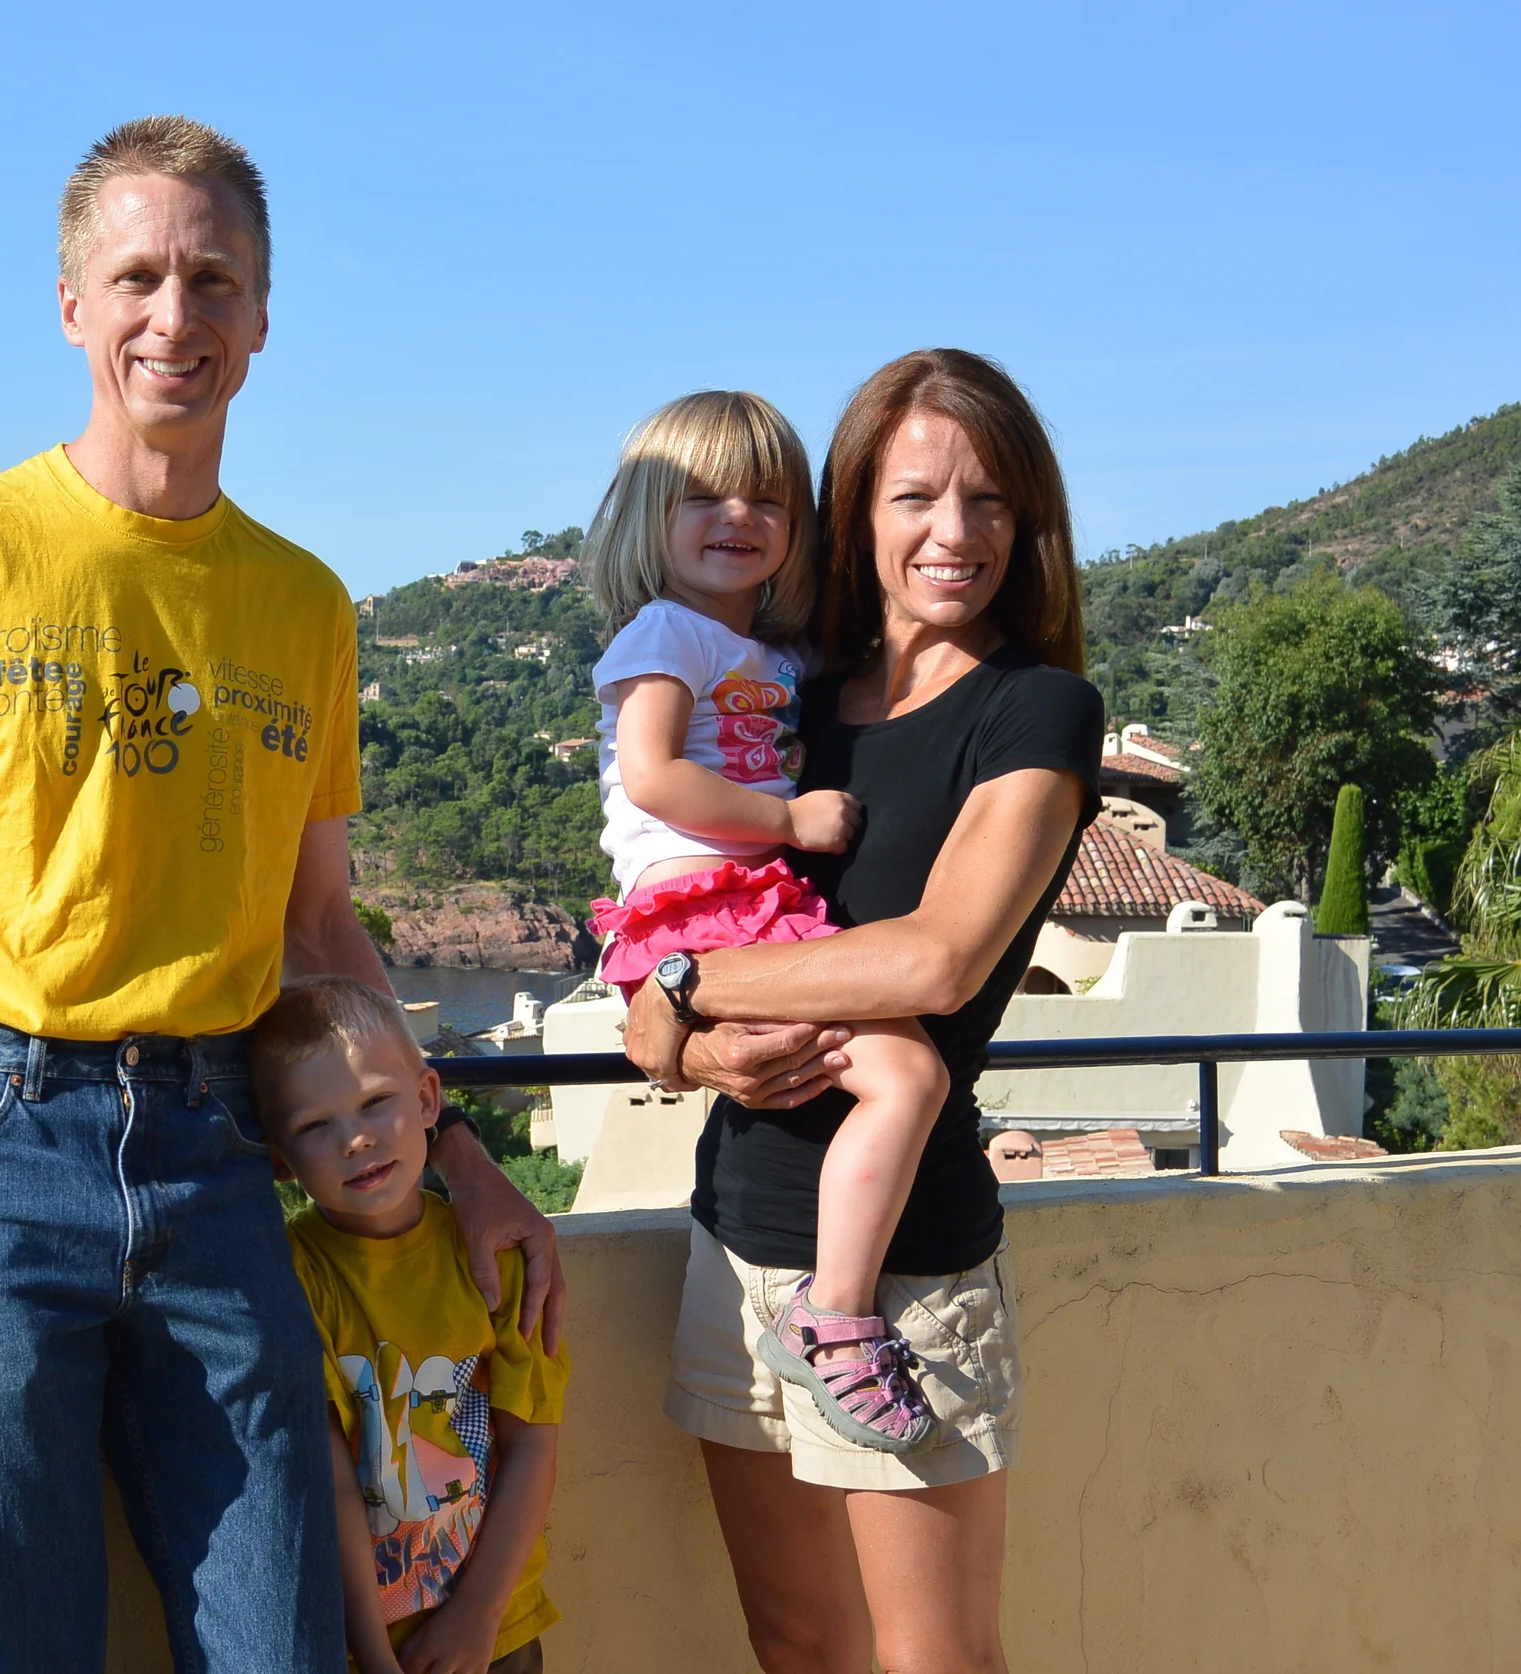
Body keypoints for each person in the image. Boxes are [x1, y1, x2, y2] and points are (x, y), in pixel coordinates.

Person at [0, 115, 562, 1674]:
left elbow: (321, 932)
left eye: (213, 280)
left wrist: (457, 1144)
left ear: (263, 318)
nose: (174, 316)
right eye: (137, 275)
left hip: (212, 1145)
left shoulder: (304, 604)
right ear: (71, 304)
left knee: (284, 1632)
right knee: (15, 1640)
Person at [622, 349, 1103, 1674]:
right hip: (737, 1239)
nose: (956, 532)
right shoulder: (780, 710)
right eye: (916, 497)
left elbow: (934, 962)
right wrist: (683, 1030)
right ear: (858, 515)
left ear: (1030, 524)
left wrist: (680, 987)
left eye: (992, 500)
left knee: (931, 1659)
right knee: (793, 1641)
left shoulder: (1036, 711)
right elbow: (666, 970)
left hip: (908, 1279)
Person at [578, 390, 947, 1454]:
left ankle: (827, 1299)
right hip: (707, 903)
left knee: (883, 1075)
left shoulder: (775, 656)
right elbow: (649, 774)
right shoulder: (666, 632)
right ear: (648, 514)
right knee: (905, 1075)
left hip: (751, 904)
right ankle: (835, 1312)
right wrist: (786, 817)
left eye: (767, 497)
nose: (736, 513)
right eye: (701, 494)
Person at [254, 977, 568, 1674]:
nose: (356, 1138)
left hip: (498, 1627)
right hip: (368, 1642)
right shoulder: (292, 1278)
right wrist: (369, 1652)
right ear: (280, 1161)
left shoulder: (494, 1259)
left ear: (428, 1100)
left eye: (375, 1102)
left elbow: (531, 1447)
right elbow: (329, 1478)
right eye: (314, 1126)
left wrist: (478, 1617)